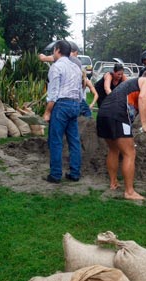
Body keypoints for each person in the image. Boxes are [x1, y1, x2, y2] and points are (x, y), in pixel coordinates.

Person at [96, 70, 146, 200]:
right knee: (130, 153)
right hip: (117, 115)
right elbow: (143, 97)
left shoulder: (129, 84)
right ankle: (129, 192)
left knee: (114, 149)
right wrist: (145, 123)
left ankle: (113, 183)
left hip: (103, 113)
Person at [42, 40, 84, 183]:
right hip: (74, 105)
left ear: (58, 50)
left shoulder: (56, 67)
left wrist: (47, 112)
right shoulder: (76, 67)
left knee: (55, 141)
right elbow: (80, 91)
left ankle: (55, 174)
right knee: (74, 141)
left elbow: (53, 93)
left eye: (53, 50)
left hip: (61, 105)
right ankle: (75, 173)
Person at [39, 41, 95, 117]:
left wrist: (41, 55)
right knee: (83, 117)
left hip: (62, 101)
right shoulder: (77, 62)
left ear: (58, 51)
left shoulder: (59, 63)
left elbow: (44, 58)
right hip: (75, 100)